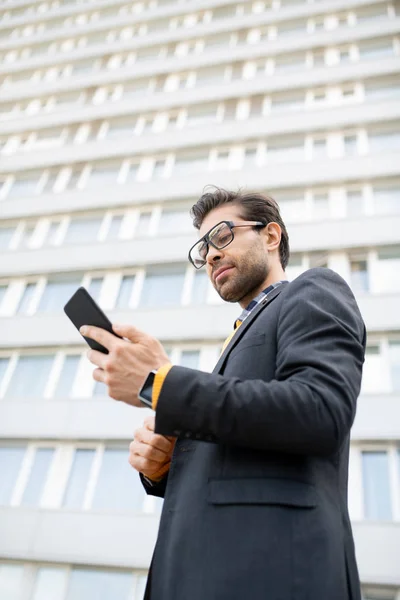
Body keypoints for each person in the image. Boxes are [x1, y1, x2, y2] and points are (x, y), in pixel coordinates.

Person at [81, 188, 366, 600]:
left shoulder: (314, 290)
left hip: (275, 574)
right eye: (203, 248)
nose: (211, 255)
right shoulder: (235, 342)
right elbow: (242, 436)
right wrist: (166, 461)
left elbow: (319, 411)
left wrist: (158, 383)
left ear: (271, 236)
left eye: (223, 236)